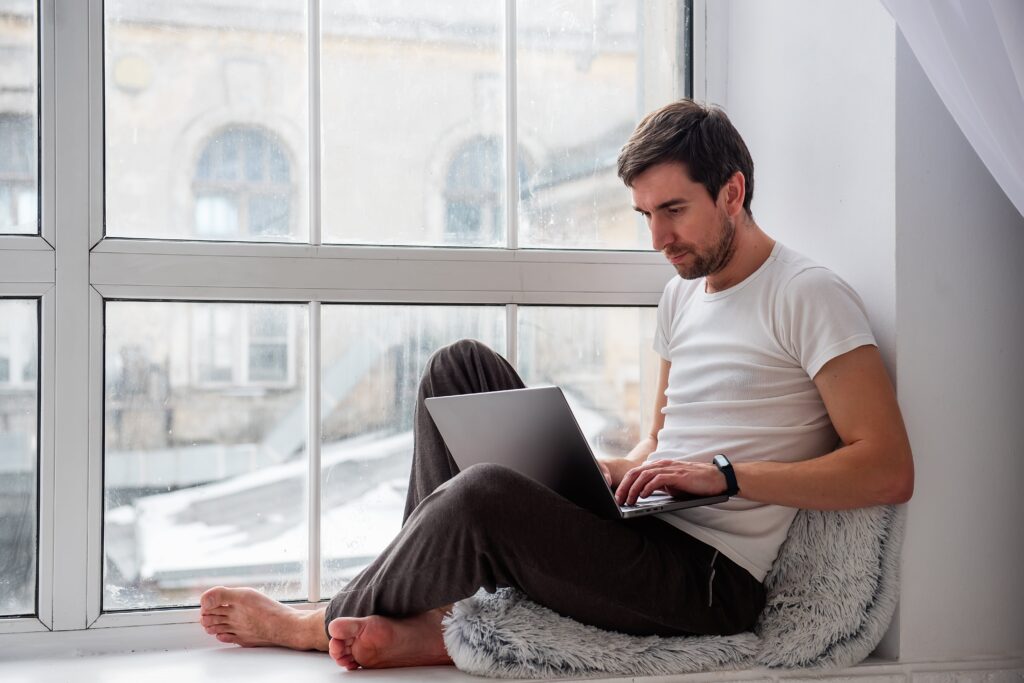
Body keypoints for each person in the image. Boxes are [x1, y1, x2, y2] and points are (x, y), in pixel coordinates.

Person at [197, 99, 914, 670]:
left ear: (733, 192)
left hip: (708, 578)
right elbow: (657, 441)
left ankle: (312, 622)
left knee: (485, 496)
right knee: (460, 367)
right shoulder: (682, 296)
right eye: (645, 216)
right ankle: (432, 616)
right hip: (644, 526)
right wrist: (609, 468)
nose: (658, 238)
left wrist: (725, 476)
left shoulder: (810, 295)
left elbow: (886, 468)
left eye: (674, 211)